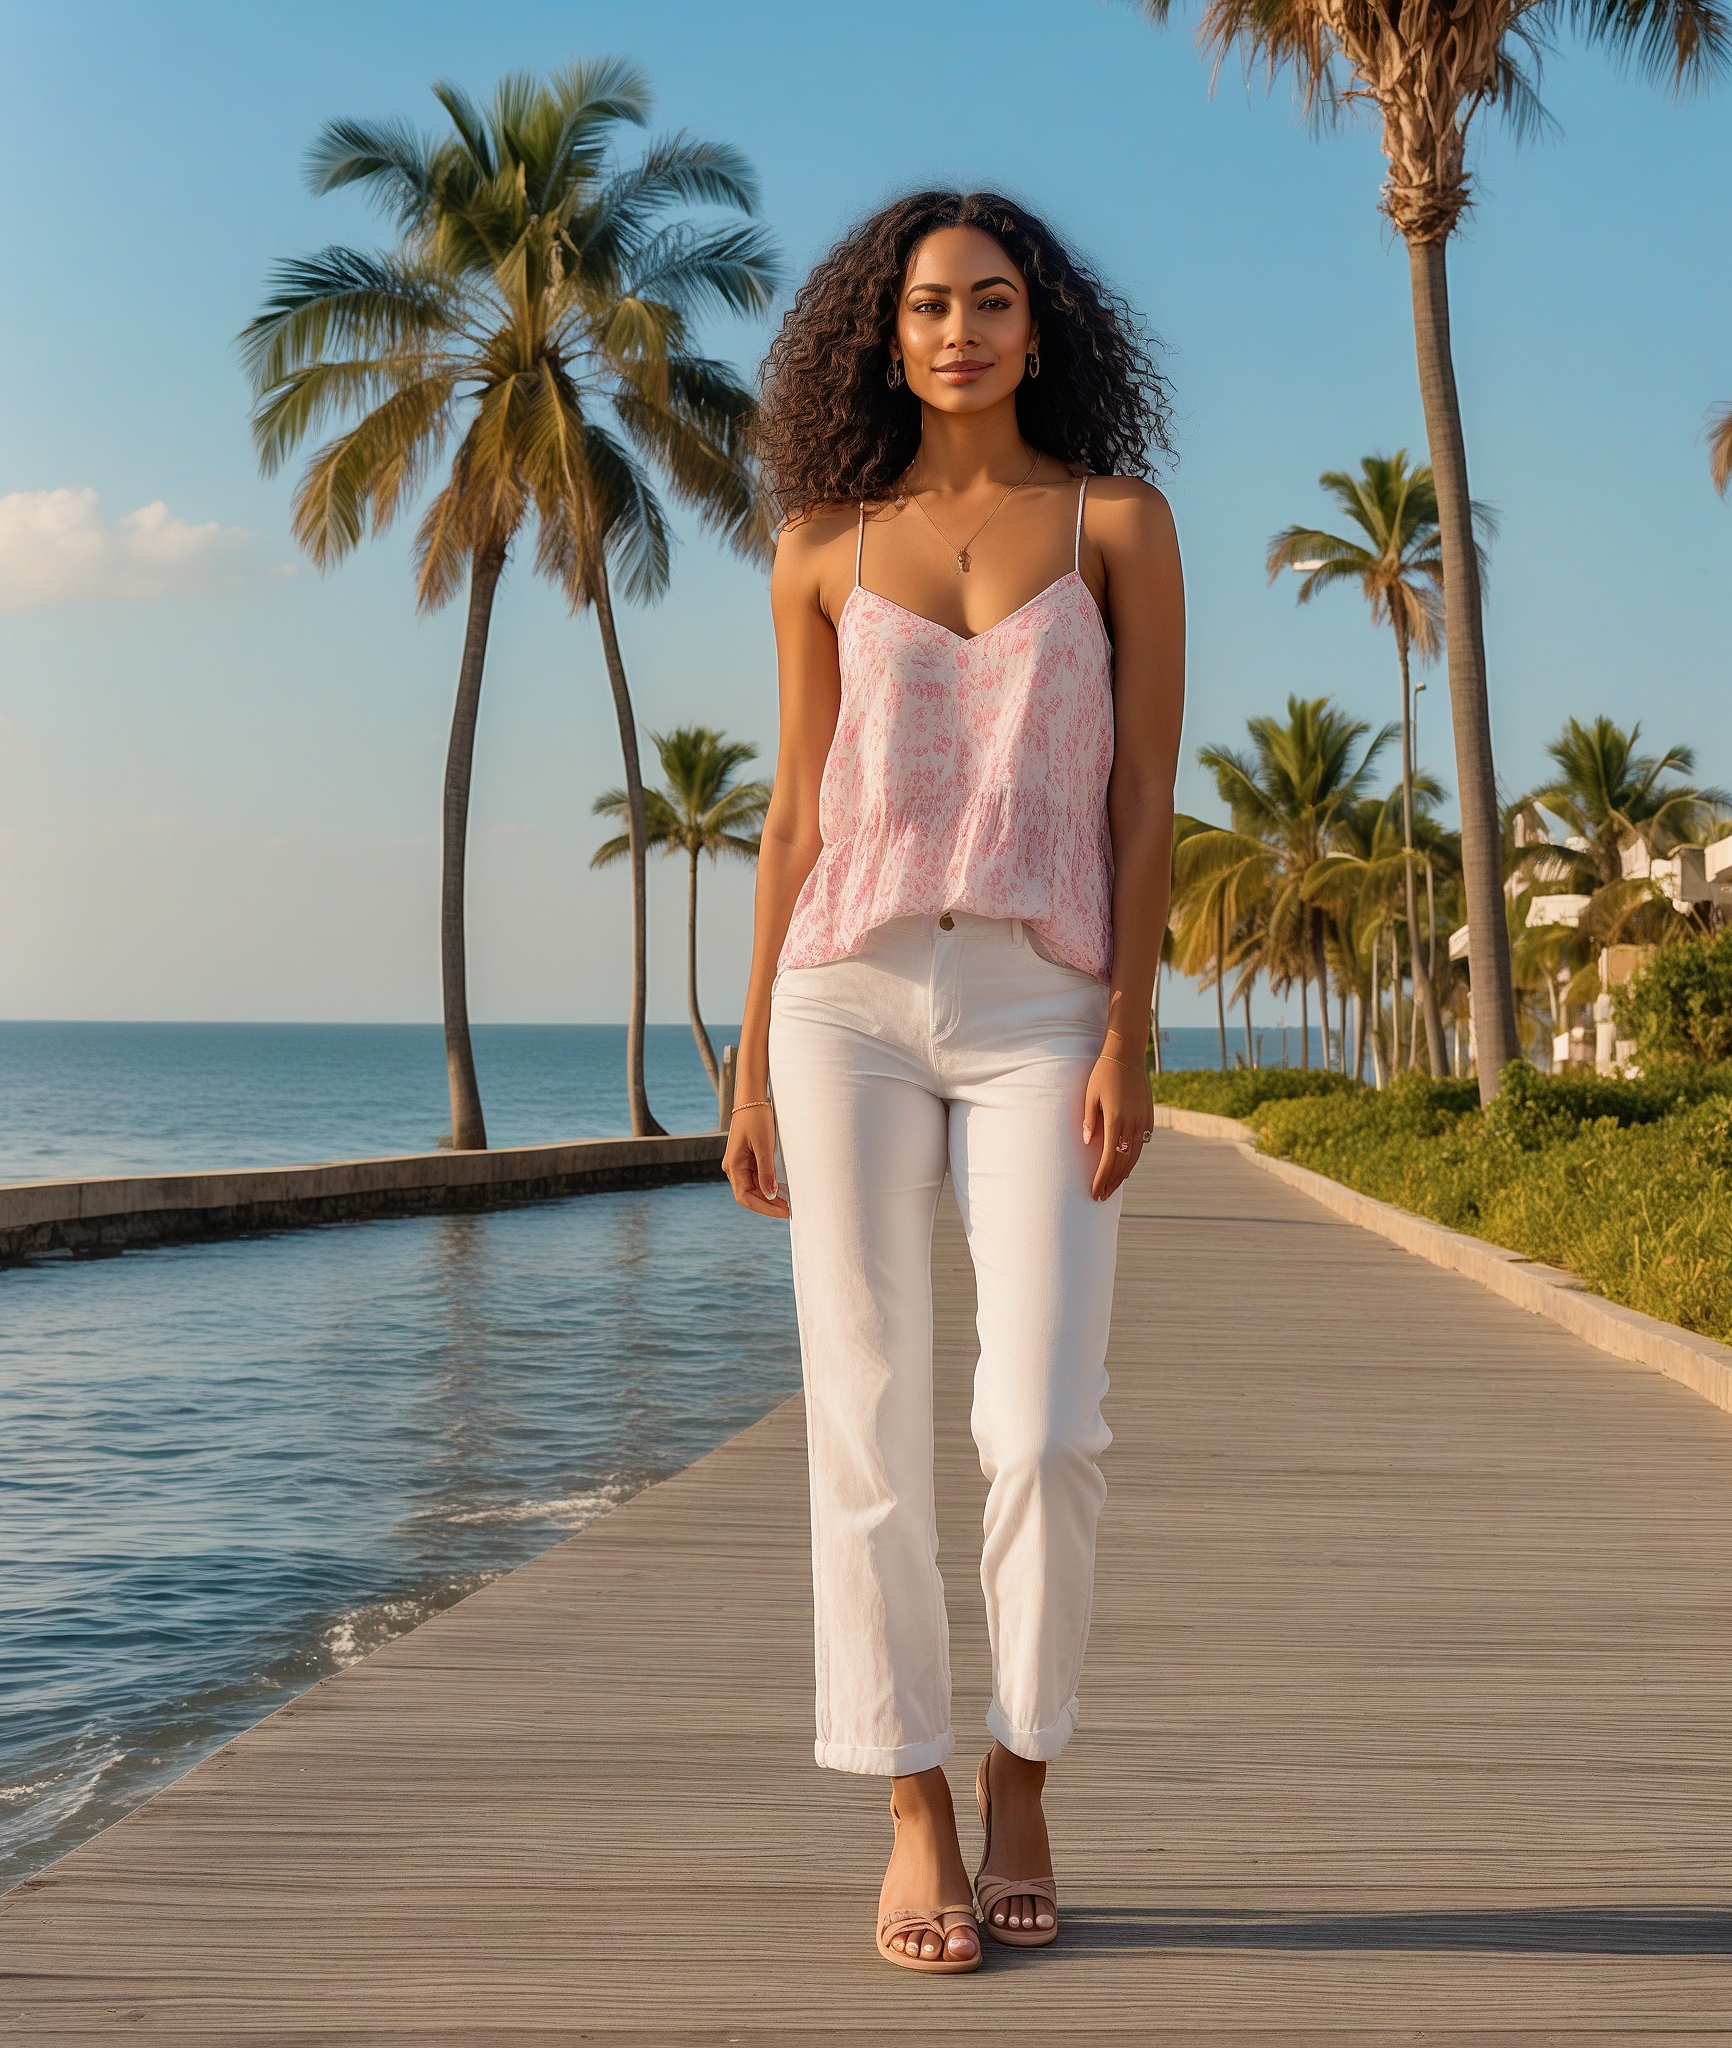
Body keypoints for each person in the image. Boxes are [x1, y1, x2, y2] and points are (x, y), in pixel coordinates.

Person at [725, 189, 1183, 1975]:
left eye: (993, 302)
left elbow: (1142, 801)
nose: (960, 331)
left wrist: (1132, 1025)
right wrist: (754, 1050)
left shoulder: (1118, 524)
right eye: (928, 306)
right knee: (864, 1409)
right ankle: (911, 1801)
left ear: (1040, 326)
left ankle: (1022, 1771)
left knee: (1043, 1424)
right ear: (886, 333)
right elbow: (791, 814)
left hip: (1042, 993)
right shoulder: (821, 546)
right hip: (843, 991)